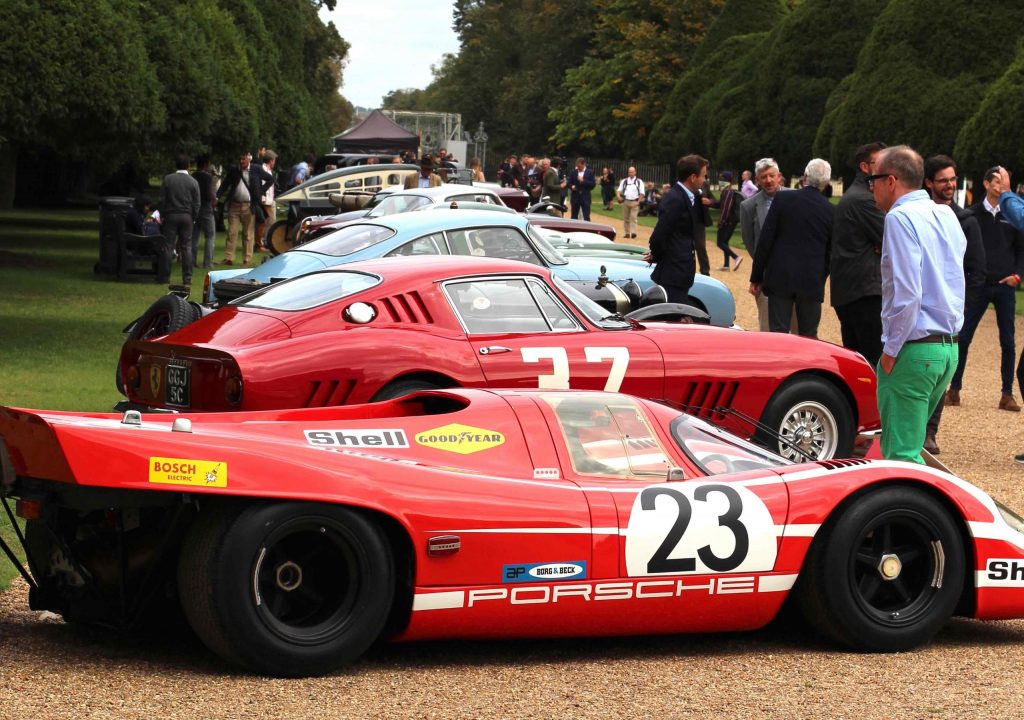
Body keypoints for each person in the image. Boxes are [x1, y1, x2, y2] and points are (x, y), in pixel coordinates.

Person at [869, 145, 965, 463]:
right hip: (947, 348)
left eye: (874, 179)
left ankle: (918, 513)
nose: (871, 187)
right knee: (910, 448)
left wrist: (891, 350)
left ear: (891, 180)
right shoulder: (946, 213)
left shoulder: (900, 217)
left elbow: (907, 293)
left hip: (915, 348)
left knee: (902, 456)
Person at [921, 154, 986, 455]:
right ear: (928, 183)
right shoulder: (916, 216)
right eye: (943, 180)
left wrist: (961, 307)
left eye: (952, 180)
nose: (949, 185)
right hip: (919, 306)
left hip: (950, 312)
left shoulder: (966, 221)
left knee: (941, 372)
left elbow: (977, 270)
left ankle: (930, 431)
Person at [946, 166, 1024, 412]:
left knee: (1008, 342)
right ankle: (954, 389)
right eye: (997, 181)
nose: (1001, 186)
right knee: (963, 337)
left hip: (1005, 285)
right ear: (986, 183)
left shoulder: (1012, 216)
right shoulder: (972, 215)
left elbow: (1022, 250)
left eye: (1004, 181)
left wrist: (1018, 275)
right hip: (978, 285)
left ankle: (1007, 394)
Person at [749, 158, 834, 338]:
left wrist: (757, 276)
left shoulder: (783, 198)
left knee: (778, 334)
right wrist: (821, 274)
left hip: (780, 276)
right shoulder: (830, 210)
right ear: (827, 182)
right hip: (811, 280)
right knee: (809, 335)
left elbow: (766, 240)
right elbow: (830, 252)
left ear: (805, 177)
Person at [830, 142, 886, 366]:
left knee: (858, 361)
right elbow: (895, 238)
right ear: (865, 167)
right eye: (880, 162)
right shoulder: (865, 199)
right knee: (873, 361)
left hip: (852, 290)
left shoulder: (858, 195)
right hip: (865, 292)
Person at [645, 154, 707, 304]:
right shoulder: (675, 198)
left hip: (679, 272)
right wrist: (657, 255)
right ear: (693, 177)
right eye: (703, 176)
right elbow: (659, 236)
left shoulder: (685, 196)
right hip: (673, 273)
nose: (704, 180)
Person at [739, 157, 790, 331]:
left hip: (796, 275)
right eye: (763, 177)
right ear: (757, 181)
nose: (768, 180)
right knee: (768, 329)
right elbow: (749, 241)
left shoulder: (796, 198)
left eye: (771, 175)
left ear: (779, 176)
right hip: (767, 276)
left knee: (800, 333)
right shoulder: (748, 206)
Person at [158, 153, 200, 285]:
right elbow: (197, 203)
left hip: (171, 215)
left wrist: (163, 214)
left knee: (168, 246)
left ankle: (165, 277)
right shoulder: (193, 182)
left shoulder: (168, 179)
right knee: (186, 247)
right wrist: (193, 217)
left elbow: (162, 200)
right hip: (186, 216)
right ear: (188, 165)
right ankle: (187, 278)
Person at [217, 151, 263, 265]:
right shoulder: (234, 170)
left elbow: (270, 179)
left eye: (243, 159)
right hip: (235, 205)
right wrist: (217, 196)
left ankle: (246, 259)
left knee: (248, 234)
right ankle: (229, 258)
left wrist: (261, 192)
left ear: (249, 158)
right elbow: (225, 184)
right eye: (240, 159)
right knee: (231, 232)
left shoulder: (256, 169)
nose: (241, 161)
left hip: (249, 205)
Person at [191, 155, 217, 269]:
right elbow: (209, 194)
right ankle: (207, 262)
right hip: (206, 208)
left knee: (194, 236)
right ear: (206, 164)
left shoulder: (192, 176)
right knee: (210, 236)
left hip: (193, 209)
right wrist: (214, 200)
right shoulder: (208, 178)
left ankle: (191, 261)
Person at [714, 171, 742, 271]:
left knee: (720, 243)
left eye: (722, 179)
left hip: (727, 221)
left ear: (727, 180)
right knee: (724, 242)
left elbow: (726, 208)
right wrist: (710, 203)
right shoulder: (728, 191)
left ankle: (736, 257)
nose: (720, 181)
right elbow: (720, 205)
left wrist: (721, 221)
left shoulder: (728, 192)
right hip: (731, 221)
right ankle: (726, 265)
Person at [254, 150, 277, 253]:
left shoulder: (268, 170)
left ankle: (263, 242)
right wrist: (263, 199)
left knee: (269, 222)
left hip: (269, 200)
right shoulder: (263, 169)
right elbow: (262, 184)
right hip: (265, 200)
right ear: (271, 161)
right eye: (274, 160)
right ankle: (263, 242)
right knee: (269, 222)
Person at [616, 166, 644, 238]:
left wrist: (638, 202)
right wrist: (618, 196)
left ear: (635, 172)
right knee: (626, 218)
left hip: (634, 201)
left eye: (632, 172)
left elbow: (642, 193)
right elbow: (619, 190)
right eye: (629, 172)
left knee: (633, 217)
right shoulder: (624, 181)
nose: (630, 173)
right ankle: (627, 233)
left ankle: (633, 232)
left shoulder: (639, 181)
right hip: (626, 201)